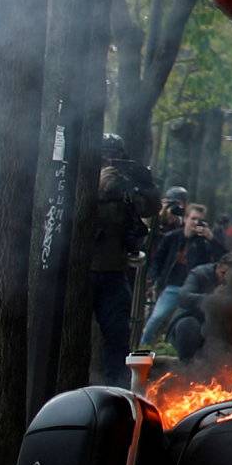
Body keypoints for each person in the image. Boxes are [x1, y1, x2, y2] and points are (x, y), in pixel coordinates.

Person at [90, 135, 159, 382]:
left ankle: (114, 389)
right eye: (106, 154)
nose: (110, 160)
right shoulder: (82, 174)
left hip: (113, 270)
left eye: (115, 154)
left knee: (118, 335)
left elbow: (148, 207)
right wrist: (99, 185)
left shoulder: (123, 180)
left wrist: (140, 184)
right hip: (82, 269)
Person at [140, 200, 219, 350]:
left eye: (199, 220)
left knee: (187, 323)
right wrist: (153, 277)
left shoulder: (204, 242)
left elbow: (223, 259)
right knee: (156, 318)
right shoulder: (172, 237)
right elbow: (158, 259)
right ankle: (143, 347)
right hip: (172, 287)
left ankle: (177, 350)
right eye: (193, 218)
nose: (196, 222)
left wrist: (211, 238)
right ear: (186, 218)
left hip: (193, 291)